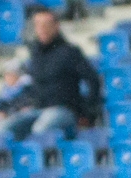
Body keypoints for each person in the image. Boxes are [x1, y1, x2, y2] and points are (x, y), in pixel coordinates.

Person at [10, 7, 103, 139]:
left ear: (56, 26)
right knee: (4, 130)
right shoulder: (35, 54)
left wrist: (87, 113)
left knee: (40, 130)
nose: (42, 29)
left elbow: (93, 80)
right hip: (38, 109)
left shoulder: (70, 52)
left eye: (46, 25)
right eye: (38, 25)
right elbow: (30, 87)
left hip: (64, 110)